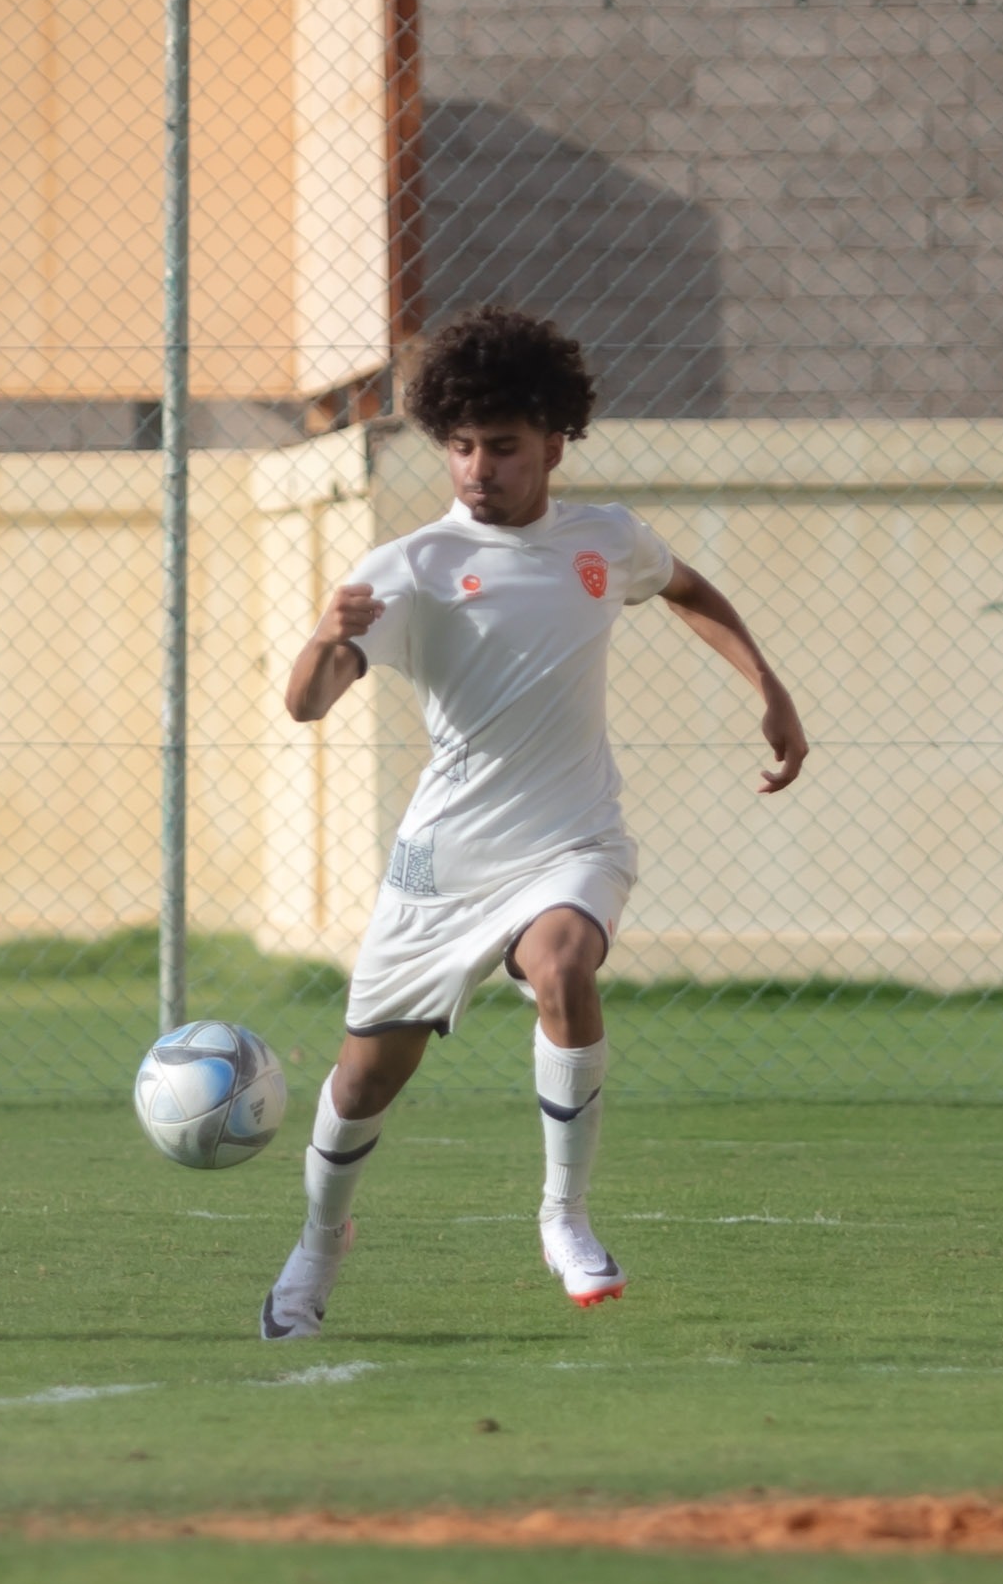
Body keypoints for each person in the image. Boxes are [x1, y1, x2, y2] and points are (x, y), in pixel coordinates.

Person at [262, 306, 806, 1341]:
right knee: (363, 1080)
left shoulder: (603, 540)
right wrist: (325, 640)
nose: (476, 469)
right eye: (460, 447)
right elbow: (307, 702)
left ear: (554, 441)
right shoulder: (409, 566)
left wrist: (766, 687)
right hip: (445, 864)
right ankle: (317, 1241)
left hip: (571, 841)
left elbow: (687, 590)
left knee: (562, 965)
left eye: (501, 447)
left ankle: (563, 1216)